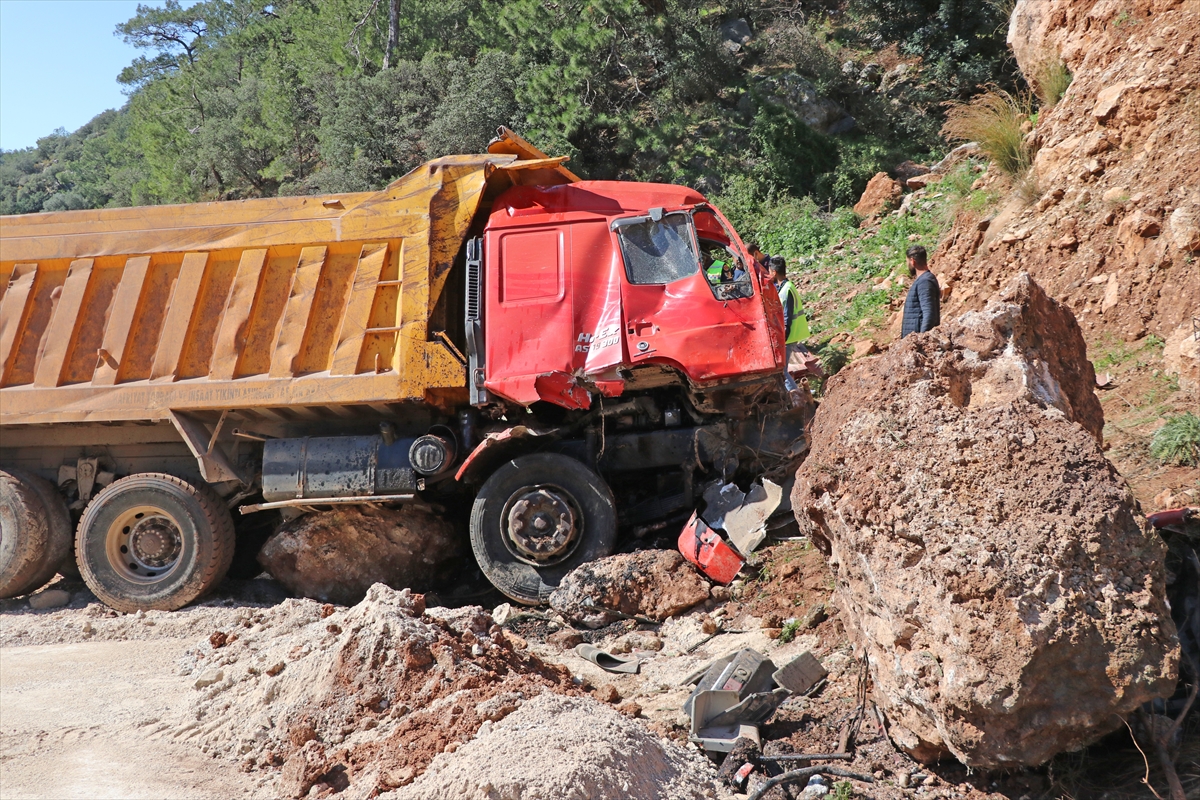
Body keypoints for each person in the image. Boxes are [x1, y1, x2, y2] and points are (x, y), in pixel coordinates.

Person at [771, 255, 809, 394]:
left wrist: (784, 336)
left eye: (769, 271)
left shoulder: (787, 289)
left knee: (782, 371)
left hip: (790, 335)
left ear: (774, 272)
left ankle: (797, 397)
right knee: (782, 370)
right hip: (791, 334)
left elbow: (788, 316)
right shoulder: (784, 287)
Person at [900, 244, 940, 338]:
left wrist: (922, 339)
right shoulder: (924, 280)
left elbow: (929, 314)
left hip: (918, 339)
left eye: (907, 262)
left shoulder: (924, 282)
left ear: (912, 261)